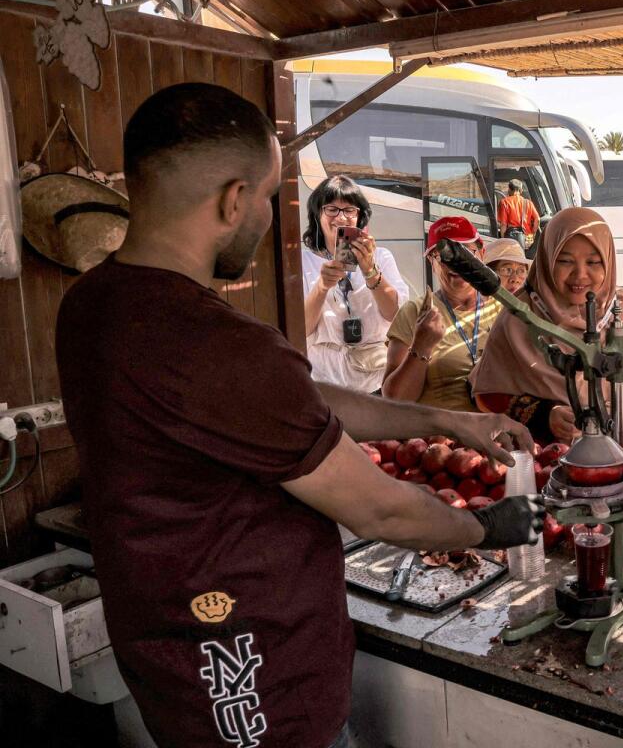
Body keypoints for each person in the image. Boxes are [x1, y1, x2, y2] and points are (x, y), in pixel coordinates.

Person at [55, 83, 543, 748]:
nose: (267, 217)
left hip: (166, 647)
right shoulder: (216, 344)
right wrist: (485, 528)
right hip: (252, 669)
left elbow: (291, 403)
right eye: (266, 197)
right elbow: (381, 510)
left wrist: (445, 422)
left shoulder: (92, 306)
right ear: (233, 199)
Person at [471, 208, 623, 453]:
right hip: (546, 464)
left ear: (608, 261)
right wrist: (544, 415)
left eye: (593, 262)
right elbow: (487, 393)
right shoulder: (518, 317)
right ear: (547, 259)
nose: (580, 275)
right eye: (565, 260)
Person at [383, 217, 503, 411]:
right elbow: (394, 400)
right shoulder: (416, 312)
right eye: (445, 256)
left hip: (496, 434)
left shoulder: (502, 311)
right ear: (432, 261)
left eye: (466, 253)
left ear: (481, 254)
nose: (456, 264)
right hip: (437, 437)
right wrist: (421, 346)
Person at [301, 175, 407, 393]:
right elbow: (301, 328)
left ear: (360, 217)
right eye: (331, 209)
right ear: (317, 215)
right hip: (323, 380)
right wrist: (322, 286)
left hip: (374, 380)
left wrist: (370, 271)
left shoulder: (381, 257)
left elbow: (396, 315)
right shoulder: (302, 261)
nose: (341, 218)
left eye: (349, 210)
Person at [497, 178, 539, 250]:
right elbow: (537, 219)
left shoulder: (504, 202)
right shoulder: (528, 202)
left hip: (511, 240)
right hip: (527, 239)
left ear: (509, 189)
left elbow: (503, 224)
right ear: (521, 190)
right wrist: (532, 234)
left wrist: (503, 240)